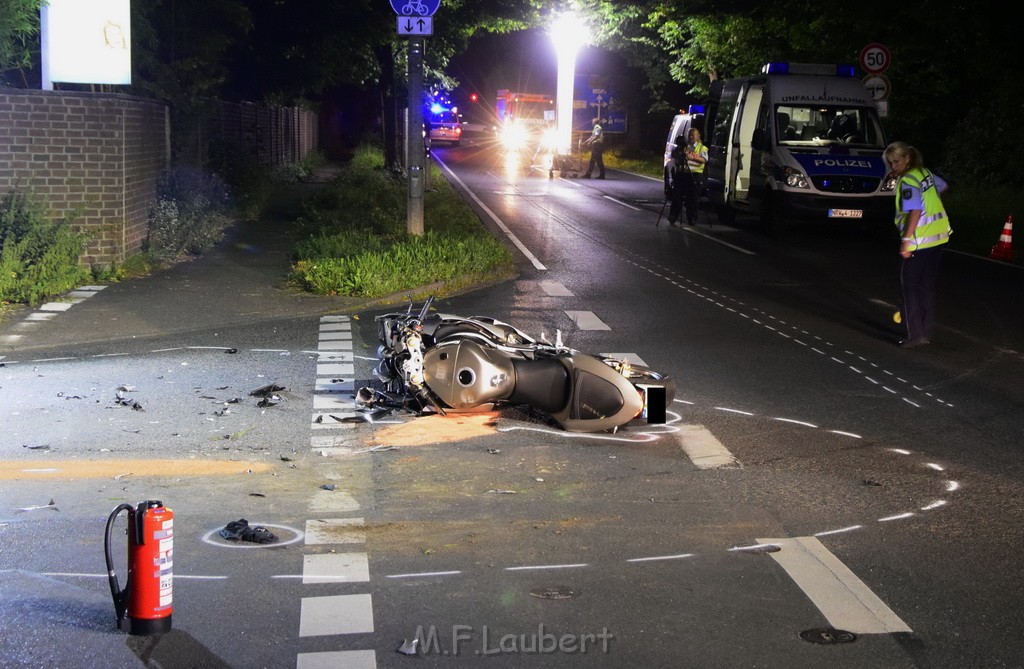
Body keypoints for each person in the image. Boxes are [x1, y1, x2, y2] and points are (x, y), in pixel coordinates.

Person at [883, 141, 952, 348]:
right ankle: (926, 331)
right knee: (926, 286)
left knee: (910, 285)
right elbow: (944, 186)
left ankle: (916, 335)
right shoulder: (924, 173)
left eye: (896, 162)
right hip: (939, 236)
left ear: (907, 159)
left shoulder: (908, 181)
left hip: (920, 239)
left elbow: (914, 211)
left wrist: (906, 240)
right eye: (890, 163)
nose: (893, 166)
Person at [665, 128, 708, 226]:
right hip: (682, 174)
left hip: (695, 175)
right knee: (677, 196)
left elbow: (704, 160)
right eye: (689, 135)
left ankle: (692, 219)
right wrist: (678, 149)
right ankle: (673, 217)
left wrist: (692, 157)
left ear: (698, 136)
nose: (691, 137)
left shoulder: (702, 148)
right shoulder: (684, 147)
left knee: (692, 199)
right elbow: (674, 156)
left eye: (693, 135)